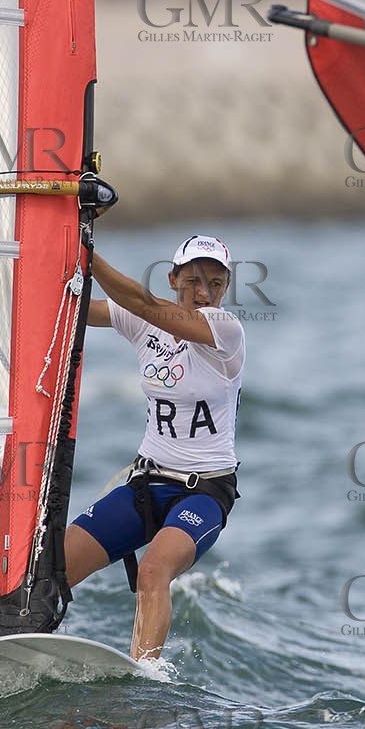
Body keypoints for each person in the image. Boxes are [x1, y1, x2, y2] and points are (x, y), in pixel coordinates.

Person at [63, 235, 245, 660]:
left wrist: (86, 249)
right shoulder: (146, 323)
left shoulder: (226, 331)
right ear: (173, 278)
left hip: (205, 492)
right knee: (53, 570)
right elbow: (80, 309)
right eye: (193, 281)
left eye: (215, 284)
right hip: (146, 483)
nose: (203, 293)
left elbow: (142, 303)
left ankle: (144, 678)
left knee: (153, 570)